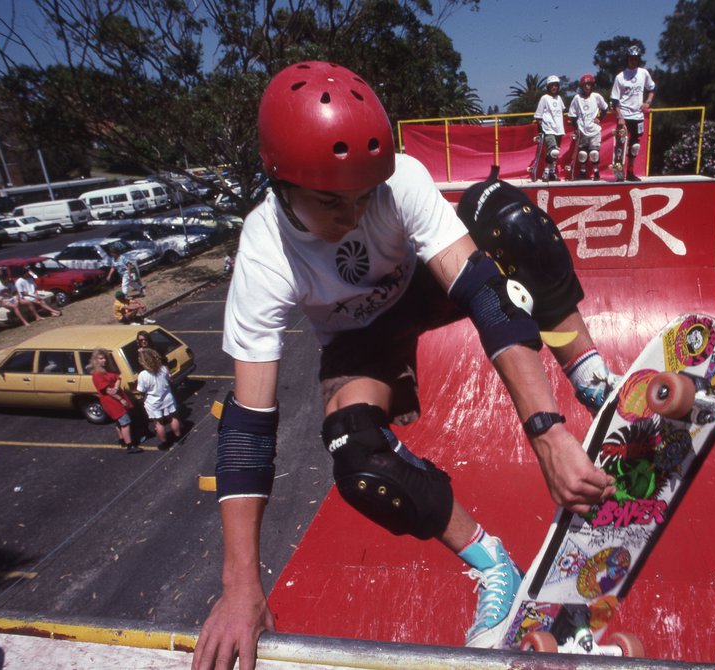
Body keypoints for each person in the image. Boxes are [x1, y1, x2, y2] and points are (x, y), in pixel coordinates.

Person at [192, 61, 619, 670]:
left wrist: (547, 433)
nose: (354, 214)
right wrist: (240, 590)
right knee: (356, 452)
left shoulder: (401, 182)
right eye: (330, 201)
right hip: (359, 339)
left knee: (507, 219)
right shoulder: (264, 255)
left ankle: (592, 377)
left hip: (423, 290)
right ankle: (494, 566)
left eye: (366, 194)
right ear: (281, 182)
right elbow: (248, 428)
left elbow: (483, 296)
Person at [610, 45, 656, 182]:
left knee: (635, 146)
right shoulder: (620, 77)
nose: (633, 61)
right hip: (624, 114)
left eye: (636, 59)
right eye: (631, 58)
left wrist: (647, 102)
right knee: (620, 143)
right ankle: (618, 172)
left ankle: (630, 171)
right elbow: (614, 99)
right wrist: (620, 117)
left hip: (637, 115)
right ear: (627, 59)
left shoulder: (643, 73)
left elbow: (652, 88)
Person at [90, 347, 143, 454]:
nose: (103, 360)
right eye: (100, 359)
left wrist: (116, 385)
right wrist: (121, 399)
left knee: (119, 421)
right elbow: (108, 391)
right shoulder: (97, 374)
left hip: (115, 399)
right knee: (125, 422)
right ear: (95, 360)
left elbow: (117, 378)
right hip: (112, 402)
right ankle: (130, 445)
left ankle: (122, 440)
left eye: (104, 358)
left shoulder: (106, 370)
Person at [136, 347, 183, 449]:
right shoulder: (163, 368)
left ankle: (165, 443)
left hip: (153, 403)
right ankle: (179, 438)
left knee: (159, 423)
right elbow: (170, 379)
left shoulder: (143, 375)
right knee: (173, 418)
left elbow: (141, 390)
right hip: (167, 398)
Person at [568, 73, 609, 180]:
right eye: (585, 85)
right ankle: (583, 172)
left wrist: (599, 118)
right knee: (582, 153)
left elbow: (605, 108)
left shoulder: (596, 96)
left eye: (589, 84)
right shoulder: (577, 98)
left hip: (594, 130)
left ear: (592, 85)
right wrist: (576, 128)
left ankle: (596, 172)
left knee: (594, 153)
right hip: (582, 129)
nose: (587, 87)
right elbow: (572, 115)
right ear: (581, 86)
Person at [533, 75, 566, 181]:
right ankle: (545, 173)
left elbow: (562, 111)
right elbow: (538, 116)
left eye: (556, 85)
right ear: (548, 87)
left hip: (559, 129)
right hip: (548, 129)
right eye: (552, 85)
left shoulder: (559, 98)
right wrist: (540, 131)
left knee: (555, 153)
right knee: (553, 152)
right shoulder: (544, 98)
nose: (554, 87)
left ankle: (552, 173)